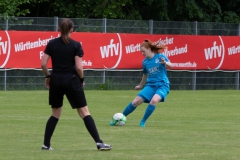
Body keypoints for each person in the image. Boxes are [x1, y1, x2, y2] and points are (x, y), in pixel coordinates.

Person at [41, 18, 111, 151]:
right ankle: (99, 142)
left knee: (55, 114)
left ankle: (46, 145)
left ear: (59, 30)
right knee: (84, 112)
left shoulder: (51, 44)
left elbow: (43, 64)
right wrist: (81, 79)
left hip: (56, 80)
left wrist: (48, 76)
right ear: (72, 30)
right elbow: (79, 68)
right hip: (71, 80)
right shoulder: (76, 45)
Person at [110, 39, 172, 127]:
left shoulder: (160, 57)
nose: (142, 53)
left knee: (153, 101)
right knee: (135, 101)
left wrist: (165, 63)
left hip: (162, 85)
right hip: (151, 85)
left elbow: (172, 65)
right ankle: (120, 118)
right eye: (141, 52)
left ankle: (143, 121)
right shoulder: (145, 62)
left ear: (149, 49)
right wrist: (140, 85)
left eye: (143, 51)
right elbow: (145, 75)